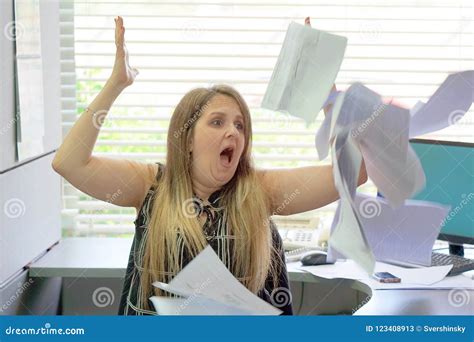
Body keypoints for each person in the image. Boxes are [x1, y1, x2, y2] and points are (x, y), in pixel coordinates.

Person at [52, 16, 367, 315]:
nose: (233, 132)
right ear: (187, 139)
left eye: (240, 126)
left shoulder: (258, 190)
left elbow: (356, 173)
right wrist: (115, 83)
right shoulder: (150, 185)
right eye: (217, 122)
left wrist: (325, 92)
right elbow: (69, 163)